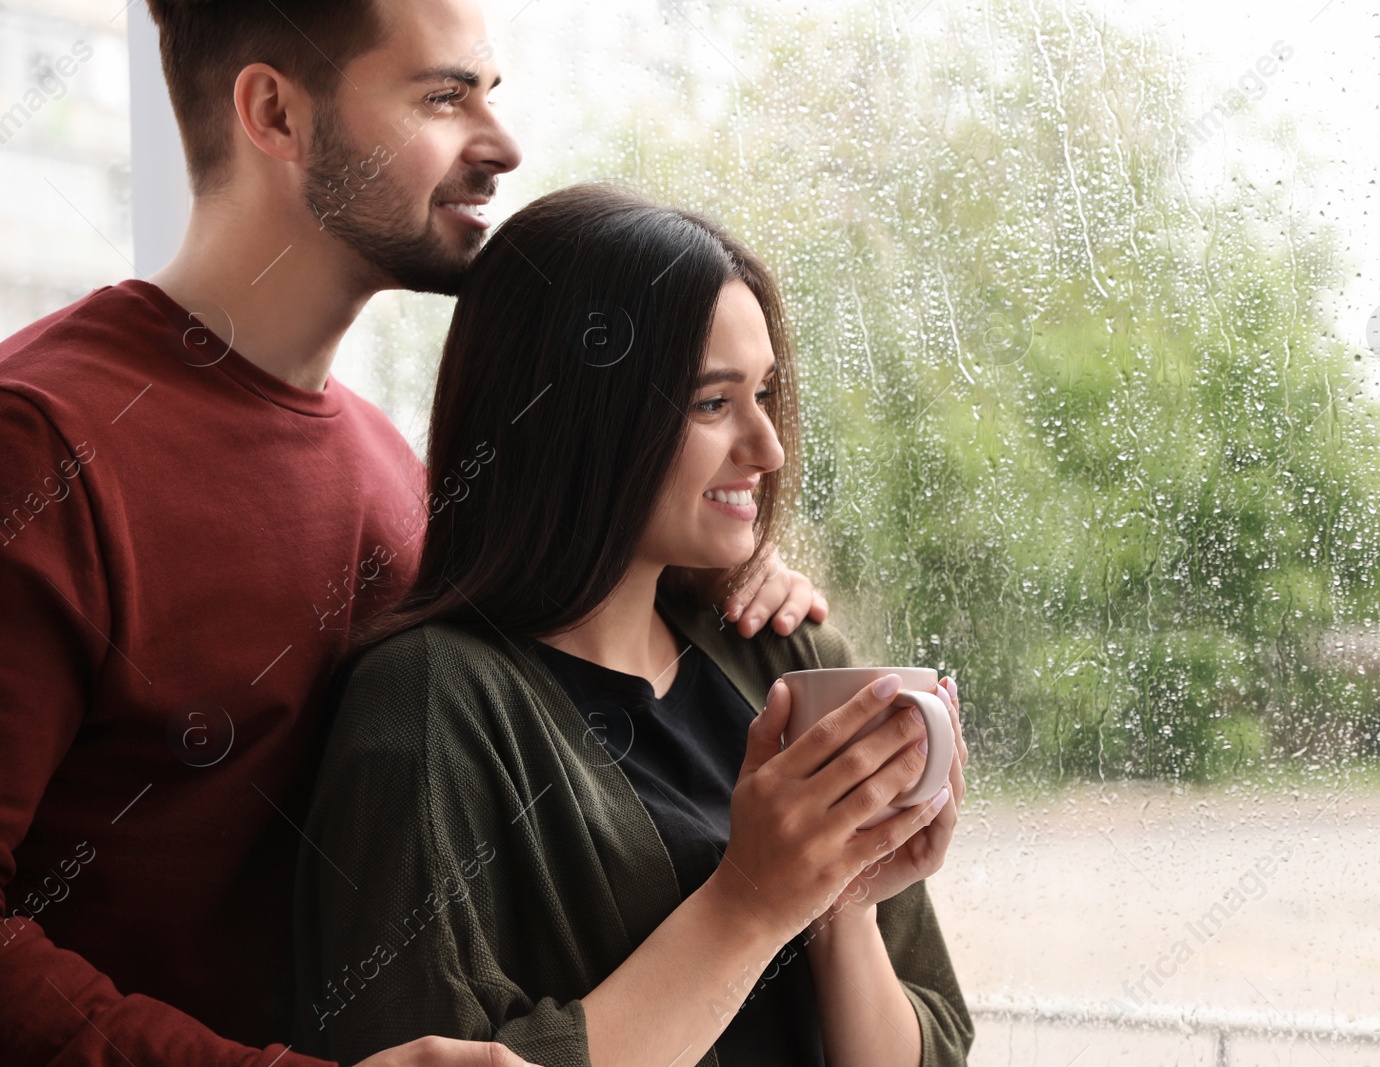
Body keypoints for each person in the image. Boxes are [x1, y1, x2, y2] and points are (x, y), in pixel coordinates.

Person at [0, 2, 824, 1065]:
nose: (502, 145)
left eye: (491, 93)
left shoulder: (395, 472)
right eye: (443, 96)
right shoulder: (42, 446)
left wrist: (727, 591)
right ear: (274, 113)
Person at [294, 184, 975, 1067]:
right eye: (711, 402)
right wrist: (755, 899)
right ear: (574, 418)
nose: (767, 447)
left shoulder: (791, 655)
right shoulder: (427, 706)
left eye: (765, 392)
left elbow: (936, 1048)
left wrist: (838, 905)